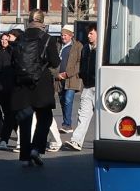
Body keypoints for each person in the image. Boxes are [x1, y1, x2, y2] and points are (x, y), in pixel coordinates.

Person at [8, 14, 60, 168]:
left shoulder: (20, 38)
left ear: (29, 21)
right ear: (42, 22)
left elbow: (13, 61)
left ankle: (24, 156)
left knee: (25, 120)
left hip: (22, 84)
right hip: (41, 83)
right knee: (45, 118)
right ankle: (36, 148)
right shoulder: (48, 38)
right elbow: (55, 62)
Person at [66, 23, 98, 151]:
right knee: (83, 115)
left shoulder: (103, 48)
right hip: (88, 86)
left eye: (91, 33)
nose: (88, 36)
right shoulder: (85, 48)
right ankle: (76, 141)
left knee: (104, 117)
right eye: (88, 33)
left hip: (99, 86)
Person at [54, 27, 82, 147]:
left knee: (68, 99)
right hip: (60, 78)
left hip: (71, 78)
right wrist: (57, 74)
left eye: (65, 35)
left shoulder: (78, 47)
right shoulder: (58, 46)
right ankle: (66, 123)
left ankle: (67, 124)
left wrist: (68, 73)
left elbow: (79, 63)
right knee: (61, 99)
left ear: (71, 35)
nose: (63, 37)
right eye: (62, 35)